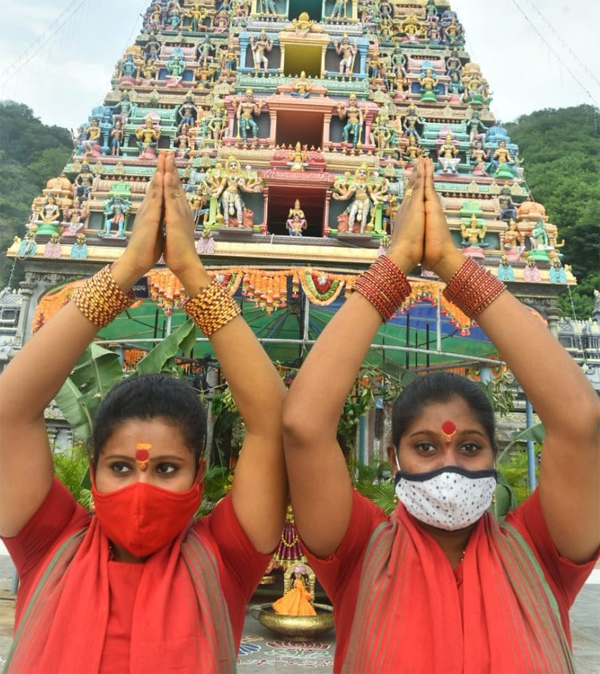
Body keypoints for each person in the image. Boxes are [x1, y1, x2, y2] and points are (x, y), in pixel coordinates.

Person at [283, 157, 599, 673]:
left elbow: (579, 419)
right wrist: (397, 261)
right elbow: (303, 424)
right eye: (425, 446)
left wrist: (452, 263)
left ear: (494, 456)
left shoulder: (540, 552)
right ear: (393, 456)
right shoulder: (360, 551)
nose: (448, 463)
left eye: (469, 446)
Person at [0, 152, 287, 673]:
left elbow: (271, 424)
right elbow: (9, 410)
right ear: (92, 472)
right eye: (121, 467)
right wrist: (127, 269)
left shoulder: (225, 559)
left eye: (166, 469)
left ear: (200, 476)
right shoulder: (49, 545)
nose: (140, 487)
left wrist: (191, 272)